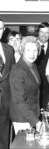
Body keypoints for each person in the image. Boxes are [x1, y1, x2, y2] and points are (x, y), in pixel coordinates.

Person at [9, 36, 42, 135]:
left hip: (33, 114)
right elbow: (19, 101)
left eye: (35, 50)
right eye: (28, 50)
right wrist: (35, 121)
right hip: (22, 117)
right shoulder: (17, 70)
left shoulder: (33, 65)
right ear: (22, 51)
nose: (32, 54)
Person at [35, 22, 49, 109]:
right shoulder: (30, 46)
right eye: (42, 32)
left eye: (47, 32)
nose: (44, 35)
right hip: (33, 87)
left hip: (48, 88)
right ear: (38, 32)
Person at [0, 19, 15, 149]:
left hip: (5, 101)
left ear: (3, 31)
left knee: (4, 136)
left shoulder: (9, 50)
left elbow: (12, 76)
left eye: (0, 29)